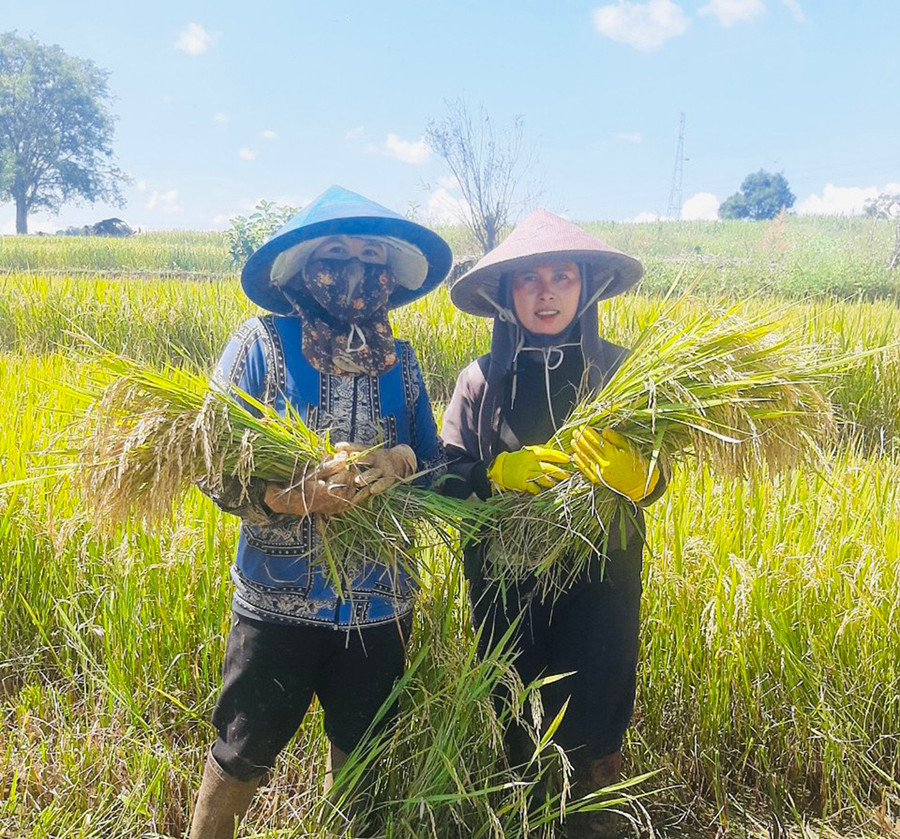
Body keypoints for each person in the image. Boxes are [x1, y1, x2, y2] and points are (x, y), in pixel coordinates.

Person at [188, 185, 451, 839]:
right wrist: (287, 497)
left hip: (381, 602)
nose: (355, 266)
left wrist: (399, 461)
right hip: (278, 605)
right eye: (335, 251)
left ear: (388, 274)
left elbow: (438, 463)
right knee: (241, 752)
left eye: (369, 253)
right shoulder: (259, 345)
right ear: (305, 269)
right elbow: (205, 462)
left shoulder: (406, 363)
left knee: (362, 757)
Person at [440, 209, 665, 838]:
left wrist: (639, 478)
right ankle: (527, 817)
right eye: (529, 279)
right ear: (505, 295)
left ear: (586, 287)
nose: (545, 293)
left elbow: (660, 476)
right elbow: (443, 476)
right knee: (517, 707)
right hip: (505, 578)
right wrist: (494, 473)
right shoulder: (480, 380)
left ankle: (595, 817)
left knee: (593, 709)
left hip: (602, 574)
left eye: (562, 277)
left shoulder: (626, 372)